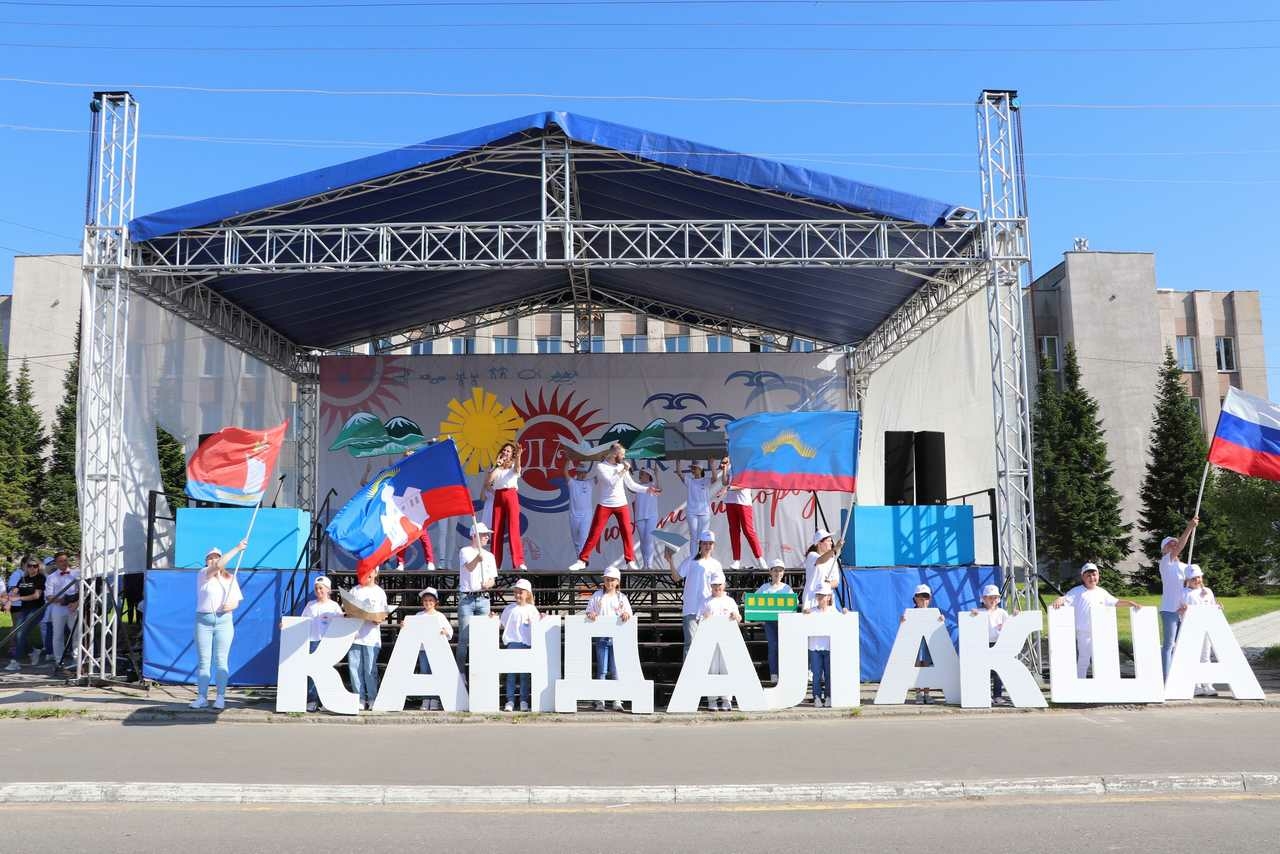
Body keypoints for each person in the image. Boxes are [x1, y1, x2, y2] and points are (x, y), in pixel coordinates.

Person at [569, 444, 660, 572]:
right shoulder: (601, 467)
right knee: (594, 533)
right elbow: (610, 482)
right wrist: (623, 470)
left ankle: (630, 561)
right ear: (614, 454)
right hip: (605, 504)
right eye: (622, 455)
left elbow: (632, 485)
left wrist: (647, 489)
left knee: (627, 533)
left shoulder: (621, 466)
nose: (623, 457)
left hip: (621, 504)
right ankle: (582, 560)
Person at [1052, 562, 1142, 679]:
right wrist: (1060, 599)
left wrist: (1130, 603)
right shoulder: (1077, 591)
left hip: (1100, 632)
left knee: (1101, 659)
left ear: (1098, 576)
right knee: (1084, 659)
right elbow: (1066, 598)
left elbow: (1115, 602)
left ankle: (1102, 685)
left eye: (1094, 575)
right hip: (1084, 632)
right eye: (1088, 576)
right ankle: (1080, 684)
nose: (1092, 578)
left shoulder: (1102, 592)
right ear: (1083, 577)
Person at [191, 540, 247, 709]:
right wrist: (237, 548)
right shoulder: (203, 574)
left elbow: (236, 599)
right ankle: (202, 696)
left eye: (216, 557)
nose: (213, 560)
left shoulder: (230, 578)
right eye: (210, 558)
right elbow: (218, 566)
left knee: (221, 660)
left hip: (224, 622)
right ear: (206, 561)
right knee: (204, 661)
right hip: (204, 621)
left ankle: (220, 697)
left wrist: (232, 605)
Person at [585, 566, 633, 711]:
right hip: (602, 637)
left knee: (616, 669)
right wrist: (591, 614)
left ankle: (617, 700)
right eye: (607, 580)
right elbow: (589, 610)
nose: (609, 583)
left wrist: (626, 615)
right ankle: (600, 699)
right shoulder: (597, 596)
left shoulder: (622, 598)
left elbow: (629, 613)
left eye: (612, 580)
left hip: (617, 637)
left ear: (617, 582)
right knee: (602, 669)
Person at [667, 530, 721, 660]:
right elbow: (676, 577)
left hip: (707, 609)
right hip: (690, 608)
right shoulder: (691, 560)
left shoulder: (716, 564)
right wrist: (670, 561)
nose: (707, 546)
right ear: (700, 544)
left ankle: (704, 674)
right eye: (705, 543)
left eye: (710, 544)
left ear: (713, 545)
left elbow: (720, 586)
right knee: (690, 643)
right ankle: (688, 676)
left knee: (707, 643)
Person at [1158, 516, 1198, 679]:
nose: (1174, 545)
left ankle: (1180, 676)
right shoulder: (1165, 562)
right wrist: (1189, 527)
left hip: (1185, 611)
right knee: (1169, 644)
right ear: (1164, 550)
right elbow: (1180, 547)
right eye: (1170, 544)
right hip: (1169, 610)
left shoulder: (1185, 567)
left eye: (1175, 542)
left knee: (1183, 645)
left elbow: (1196, 585)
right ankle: (1166, 677)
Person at [344, 563, 388, 711]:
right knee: (355, 668)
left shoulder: (380, 592)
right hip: (355, 636)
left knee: (370, 669)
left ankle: (372, 697)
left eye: (371, 572)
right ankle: (359, 698)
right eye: (366, 571)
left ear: (376, 574)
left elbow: (384, 613)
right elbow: (348, 611)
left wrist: (378, 619)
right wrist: (352, 613)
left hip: (371, 636)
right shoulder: (355, 590)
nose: (368, 574)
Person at [296, 576, 342, 712]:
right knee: (312, 672)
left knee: (326, 673)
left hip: (328, 643)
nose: (318, 590)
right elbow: (301, 622)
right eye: (316, 588)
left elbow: (340, 624)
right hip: (312, 641)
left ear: (328, 590)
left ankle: (325, 700)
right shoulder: (310, 605)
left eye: (321, 588)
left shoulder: (334, 606)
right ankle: (312, 700)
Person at [698, 568, 741, 711]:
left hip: (727, 641)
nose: (717, 588)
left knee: (726, 669)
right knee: (712, 669)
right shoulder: (706, 602)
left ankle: (727, 700)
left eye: (719, 585)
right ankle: (712, 700)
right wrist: (705, 618)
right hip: (711, 642)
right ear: (711, 586)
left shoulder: (730, 601)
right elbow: (699, 619)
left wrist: (736, 616)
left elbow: (739, 617)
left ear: (724, 586)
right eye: (714, 585)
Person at [456, 521, 497, 673]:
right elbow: (469, 567)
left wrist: (489, 584)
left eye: (487, 535)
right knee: (464, 638)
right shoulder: (465, 551)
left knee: (483, 637)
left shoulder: (490, 556)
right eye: (484, 535)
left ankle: (482, 671)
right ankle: (460, 673)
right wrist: (477, 559)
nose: (487, 537)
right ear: (474, 536)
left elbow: (493, 578)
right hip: (467, 598)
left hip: (483, 598)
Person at [404, 586, 453, 710]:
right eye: (425, 600)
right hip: (423, 650)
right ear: (422, 602)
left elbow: (450, 631)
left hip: (436, 650)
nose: (428, 603)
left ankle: (435, 699)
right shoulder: (419, 615)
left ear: (436, 602)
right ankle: (426, 700)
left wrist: (444, 632)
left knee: (436, 673)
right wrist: (405, 626)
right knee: (425, 673)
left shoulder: (440, 616)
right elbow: (412, 630)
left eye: (431, 600)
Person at [1177, 565, 1222, 697]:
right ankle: (1195, 685)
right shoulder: (1183, 593)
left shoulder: (1208, 591)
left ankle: (1207, 684)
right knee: (1193, 656)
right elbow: (1179, 611)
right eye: (1193, 578)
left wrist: (1218, 607)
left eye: (1199, 577)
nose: (1197, 580)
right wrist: (1183, 611)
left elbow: (1213, 606)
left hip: (1207, 628)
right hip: (1191, 629)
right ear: (1187, 580)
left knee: (1205, 656)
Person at [481, 441, 527, 571]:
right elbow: (489, 481)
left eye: (508, 451)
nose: (506, 453)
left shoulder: (513, 465)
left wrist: (518, 456)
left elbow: (518, 469)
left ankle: (518, 562)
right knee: (496, 530)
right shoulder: (497, 467)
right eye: (504, 450)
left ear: (512, 454)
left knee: (513, 529)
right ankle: (495, 564)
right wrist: (497, 465)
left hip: (511, 495)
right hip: (498, 497)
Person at [498, 578, 540, 712]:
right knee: (511, 674)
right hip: (512, 644)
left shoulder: (532, 609)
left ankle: (523, 700)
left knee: (524, 675)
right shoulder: (509, 609)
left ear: (527, 594)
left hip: (527, 645)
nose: (518, 595)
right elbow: (502, 623)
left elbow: (538, 625)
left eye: (521, 592)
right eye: (516, 592)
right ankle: (510, 700)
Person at [717, 457, 764, 570]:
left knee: (748, 531)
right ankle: (736, 560)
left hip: (743, 502)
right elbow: (724, 482)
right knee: (734, 531)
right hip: (730, 502)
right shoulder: (730, 468)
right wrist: (724, 469)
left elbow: (742, 485)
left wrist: (727, 488)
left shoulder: (746, 467)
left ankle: (760, 559)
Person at [969, 584, 1011, 705]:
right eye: (989, 597)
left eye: (994, 597)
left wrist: (1015, 616)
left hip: (998, 644)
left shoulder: (1002, 613)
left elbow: (1009, 626)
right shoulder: (979, 612)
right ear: (983, 599)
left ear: (998, 599)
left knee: (998, 672)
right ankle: (985, 695)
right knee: (985, 672)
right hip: (983, 644)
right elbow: (971, 621)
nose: (992, 600)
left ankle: (997, 695)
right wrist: (972, 614)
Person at [904, 583, 944, 705]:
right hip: (915, 645)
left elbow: (938, 628)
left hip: (928, 645)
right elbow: (905, 628)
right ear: (915, 598)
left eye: (926, 597)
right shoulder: (909, 612)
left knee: (927, 667)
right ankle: (918, 694)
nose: (923, 600)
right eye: (920, 597)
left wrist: (941, 619)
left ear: (930, 599)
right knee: (917, 667)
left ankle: (927, 693)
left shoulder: (934, 612)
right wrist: (903, 621)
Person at [755, 559, 792, 682]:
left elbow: (793, 604)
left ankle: (785, 673)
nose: (778, 573)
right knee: (773, 646)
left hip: (785, 623)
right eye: (775, 570)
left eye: (780, 570)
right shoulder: (764, 588)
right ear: (770, 572)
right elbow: (754, 602)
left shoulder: (787, 588)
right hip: (769, 622)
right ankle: (774, 673)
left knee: (785, 647)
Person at [5, 556, 45, 670]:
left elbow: (36, 595)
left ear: (38, 567)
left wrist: (19, 598)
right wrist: (9, 599)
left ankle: (15, 661)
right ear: (26, 567)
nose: (32, 568)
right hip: (25, 610)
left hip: (37, 609)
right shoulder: (23, 579)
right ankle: (34, 651)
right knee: (19, 633)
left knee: (20, 633)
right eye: (29, 566)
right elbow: (14, 591)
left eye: (35, 566)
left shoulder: (40, 578)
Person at [44, 552, 79, 671]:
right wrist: (62, 601)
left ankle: (77, 658)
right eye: (61, 561)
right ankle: (59, 660)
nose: (64, 563)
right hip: (58, 608)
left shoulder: (76, 573)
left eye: (65, 560)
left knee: (76, 633)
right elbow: (49, 596)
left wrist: (75, 602)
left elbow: (83, 590)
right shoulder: (51, 577)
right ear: (56, 563)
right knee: (57, 634)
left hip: (74, 606)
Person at [804, 582, 835, 707]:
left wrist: (845, 613)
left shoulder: (834, 611)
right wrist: (804, 615)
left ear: (828, 597)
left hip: (829, 647)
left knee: (828, 674)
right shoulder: (811, 611)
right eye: (819, 595)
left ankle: (828, 696)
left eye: (823, 595)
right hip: (814, 647)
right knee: (816, 674)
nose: (821, 598)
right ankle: (816, 696)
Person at [802, 530, 842, 611]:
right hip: (811, 599)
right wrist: (836, 548)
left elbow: (836, 582)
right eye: (828, 541)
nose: (831, 543)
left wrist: (826, 585)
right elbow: (821, 560)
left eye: (831, 541)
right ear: (819, 543)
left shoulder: (833, 560)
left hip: (827, 600)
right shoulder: (811, 555)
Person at [562, 458, 595, 556]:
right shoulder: (572, 483)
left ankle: (583, 561)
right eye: (580, 472)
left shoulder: (590, 482)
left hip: (586, 516)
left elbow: (601, 475)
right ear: (577, 472)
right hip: (574, 516)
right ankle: (580, 561)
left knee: (584, 538)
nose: (583, 474)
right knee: (576, 541)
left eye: (584, 472)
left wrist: (603, 461)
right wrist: (568, 459)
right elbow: (565, 472)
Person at [678, 461, 715, 546]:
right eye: (692, 468)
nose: (692, 470)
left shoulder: (706, 480)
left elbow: (715, 478)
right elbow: (679, 473)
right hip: (692, 512)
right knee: (694, 537)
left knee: (703, 537)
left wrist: (712, 464)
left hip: (704, 512)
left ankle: (701, 557)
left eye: (694, 468)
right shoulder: (689, 481)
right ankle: (693, 557)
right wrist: (678, 460)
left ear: (700, 469)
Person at [633, 470, 660, 569]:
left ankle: (650, 564)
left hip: (651, 516)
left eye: (643, 473)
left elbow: (660, 488)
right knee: (643, 540)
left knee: (649, 539)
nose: (640, 475)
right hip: (640, 516)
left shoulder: (653, 485)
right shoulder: (636, 486)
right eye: (640, 474)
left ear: (649, 475)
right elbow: (630, 488)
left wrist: (657, 475)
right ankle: (645, 564)